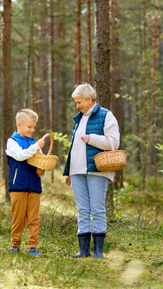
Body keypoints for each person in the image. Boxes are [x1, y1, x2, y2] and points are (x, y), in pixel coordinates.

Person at [64, 83, 120, 258]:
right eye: (76, 102)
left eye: (79, 102)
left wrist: (91, 139)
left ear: (89, 99)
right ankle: (83, 250)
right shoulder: (79, 118)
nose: (77, 106)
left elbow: (114, 143)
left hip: (97, 170)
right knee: (82, 209)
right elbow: (73, 147)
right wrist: (68, 171)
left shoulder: (106, 115)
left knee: (97, 209)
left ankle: (98, 251)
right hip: (77, 170)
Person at [6, 109, 48, 257]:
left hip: (34, 186)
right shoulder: (12, 142)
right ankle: (15, 244)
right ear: (19, 124)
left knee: (33, 218)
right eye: (29, 127)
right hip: (18, 186)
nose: (32, 130)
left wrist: (43, 171)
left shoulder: (33, 142)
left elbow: (42, 164)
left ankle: (32, 246)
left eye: (34, 127)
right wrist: (37, 146)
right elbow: (20, 156)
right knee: (18, 217)